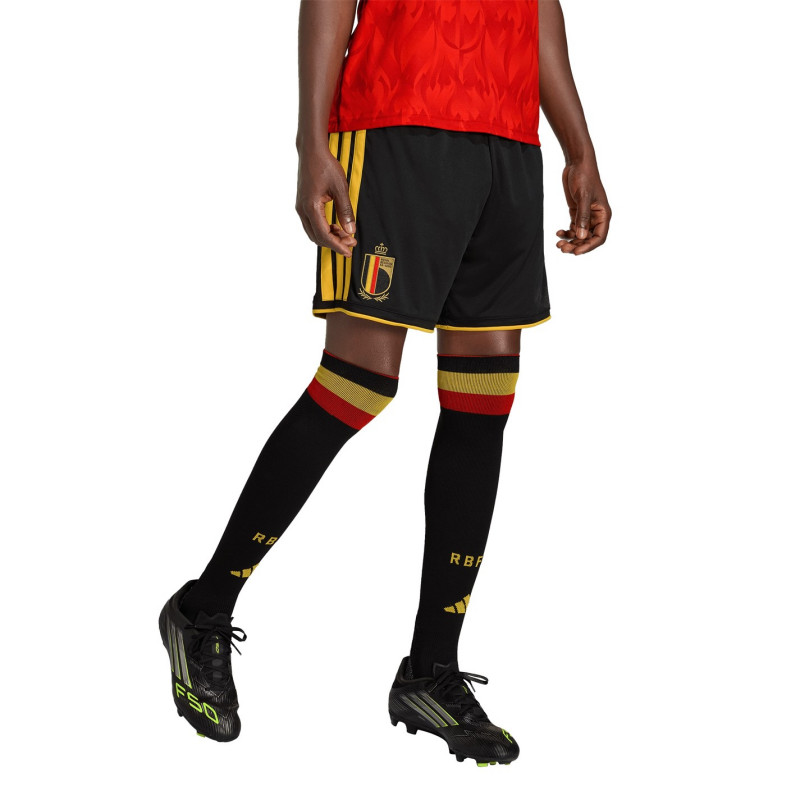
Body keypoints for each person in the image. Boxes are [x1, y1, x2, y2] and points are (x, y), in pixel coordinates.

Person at [159, 0, 610, 766]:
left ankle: (431, 670)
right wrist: (312, 142)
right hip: (398, 122)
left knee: (482, 406)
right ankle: (202, 608)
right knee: (358, 384)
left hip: (507, 139)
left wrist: (579, 148)